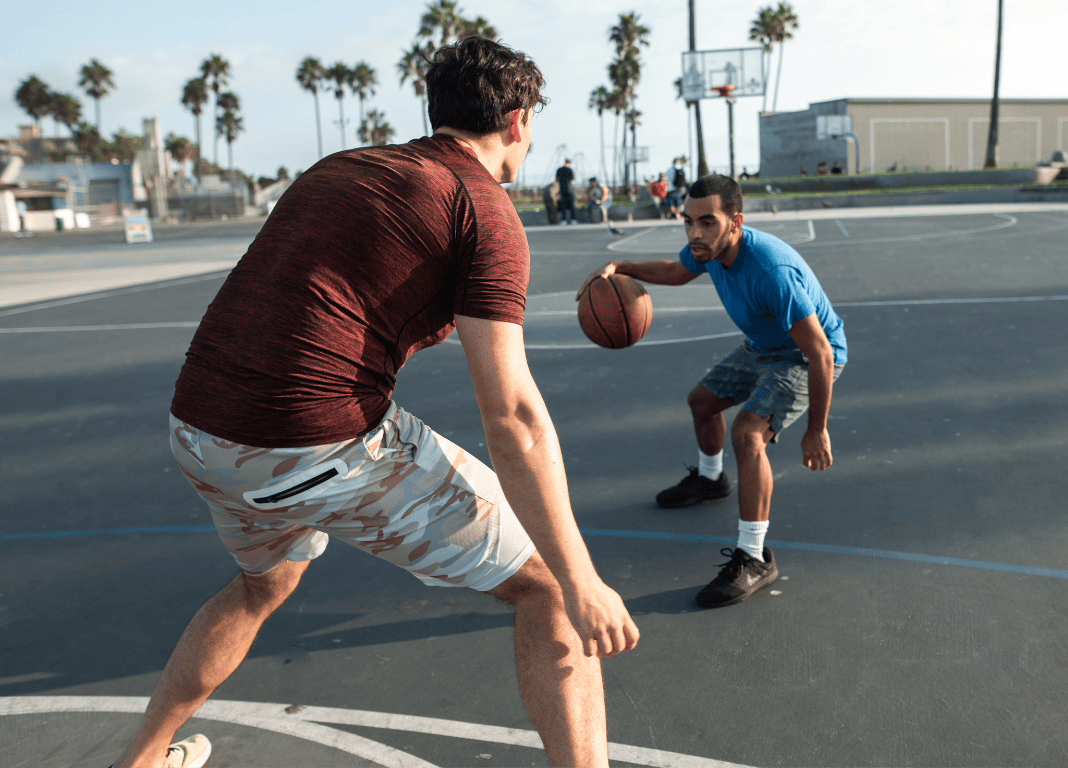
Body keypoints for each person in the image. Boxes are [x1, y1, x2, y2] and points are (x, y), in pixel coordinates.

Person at [111, 37, 638, 768]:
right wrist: (583, 579)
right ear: (518, 122)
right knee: (547, 582)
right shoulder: (483, 211)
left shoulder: (344, 167)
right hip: (306, 446)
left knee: (263, 583)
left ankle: (138, 761)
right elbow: (513, 418)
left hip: (199, 429)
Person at [576, 175, 846, 610]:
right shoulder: (709, 251)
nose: (695, 233)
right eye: (687, 222)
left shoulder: (770, 270)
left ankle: (755, 557)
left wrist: (817, 428)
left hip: (801, 355)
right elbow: (676, 272)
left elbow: (820, 352)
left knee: (748, 434)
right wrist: (621, 267)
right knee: (702, 403)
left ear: (735, 222)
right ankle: (709, 478)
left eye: (707, 222)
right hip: (762, 346)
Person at [556, 158, 577, 225]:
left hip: (562, 189)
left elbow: (557, 179)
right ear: (569, 163)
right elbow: (573, 178)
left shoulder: (559, 169)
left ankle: (564, 220)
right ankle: (573, 220)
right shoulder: (569, 169)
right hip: (569, 189)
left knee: (563, 206)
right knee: (571, 205)